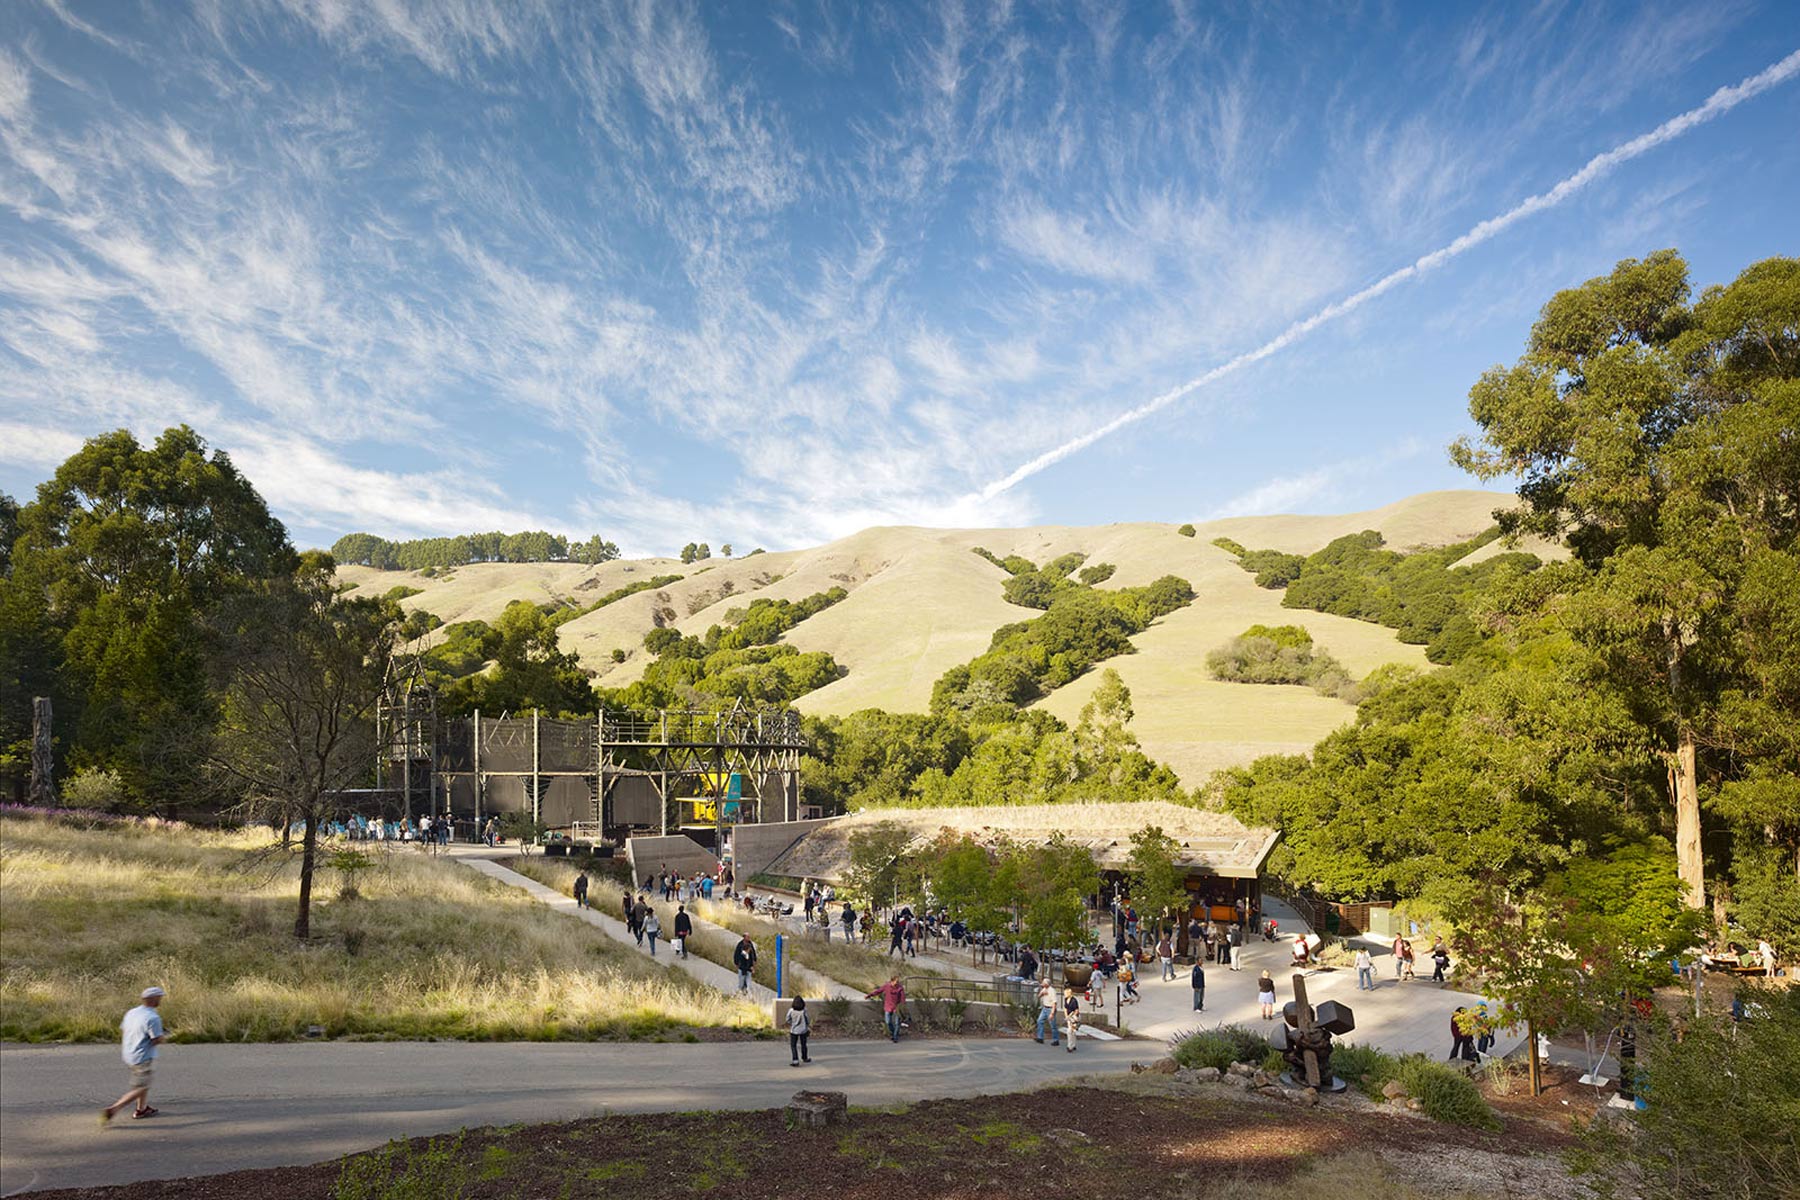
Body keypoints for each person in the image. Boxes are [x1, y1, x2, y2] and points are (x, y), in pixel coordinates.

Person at [101, 986, 168, 1125]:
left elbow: (125, 1029)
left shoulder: (132, 1012)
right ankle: (113, 1109)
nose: (161, 999)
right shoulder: (153, 1017)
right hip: (142, 1056)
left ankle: (141, 1109)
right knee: (141, 1087)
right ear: (153, 999)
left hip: (129, 1053)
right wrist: (165, 1036)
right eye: (159, 997)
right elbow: (156, 1040)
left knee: (142, 1082)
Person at [867, 975, 906, 1042]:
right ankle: (893, 1033)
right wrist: (869, 995)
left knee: (897, 1023)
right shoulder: (887, 986)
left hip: (897, 1007)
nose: (897, 983)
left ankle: (895, 1037)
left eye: (898, 981)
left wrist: (903, 1006)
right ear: (892, 981)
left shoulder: (900, 988)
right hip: (888, 1006)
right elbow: (878, 991)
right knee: (888, 1022)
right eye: (896, 981)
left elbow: (903, 998)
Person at [1035, 977, 1061, 1046]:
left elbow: (1054, 1003)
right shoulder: (1044, 989)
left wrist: (1052, 1013)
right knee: (1039, 1021)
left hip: (1050, 1008)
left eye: (1043, 983)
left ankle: (1056, 1040)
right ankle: (1040, 1037)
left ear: (1047, 984)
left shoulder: (1052, 991)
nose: (1042, 984)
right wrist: (1042, 993)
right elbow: (1038, 996)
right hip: (1045, 1008)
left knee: (1053, 1025)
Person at [787, 996, 812, 1066]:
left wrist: (792, 1023)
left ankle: (795, 1060)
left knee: (793, 1045)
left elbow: (787, 1019)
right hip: (803, 1030)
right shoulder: (804, 1010)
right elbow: (807, 1020)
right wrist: (807, 1025)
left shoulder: (791, 1010)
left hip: (794, 1030)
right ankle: (805, 1057)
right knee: (803, 1044)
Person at [1061, 986, 1081, 1052]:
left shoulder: (1074, 1000)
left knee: (1070, 1031)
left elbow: (1076, 1010)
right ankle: (1073, 1044)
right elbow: (1065, 1008)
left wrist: (1071, 1017)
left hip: (1074, 1017)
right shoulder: (1066, 999)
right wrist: (1066, 1016)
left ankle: (1070, 1046)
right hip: (1069, 1017)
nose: (1064, 994)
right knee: (1072, 1032)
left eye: (1065, 993)